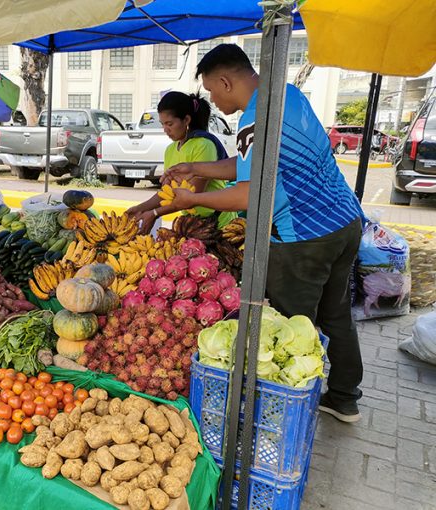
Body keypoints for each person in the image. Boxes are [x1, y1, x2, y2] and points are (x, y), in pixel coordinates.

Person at [165, 44, 364, 423]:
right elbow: (249, 165)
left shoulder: (254, 117)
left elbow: (250, 192)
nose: (212, 99)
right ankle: (343, 397)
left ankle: (281, 417)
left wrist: (190, 199)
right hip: (343, 222)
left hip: (303, 237)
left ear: (225, 81)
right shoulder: (286, 94)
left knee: (290, 332)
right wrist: (197, 166)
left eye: (211, 90)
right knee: (336, 313)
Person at [126, 91, 237, 233]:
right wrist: (140, 208)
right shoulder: (170, 150)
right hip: (192, 226)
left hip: (220, 224)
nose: (166, 130)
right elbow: (167, 193)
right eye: (162, 124)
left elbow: (192, 194)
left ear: (186, 120)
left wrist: (155, 214)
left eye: (170, 124)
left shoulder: (203, 145)